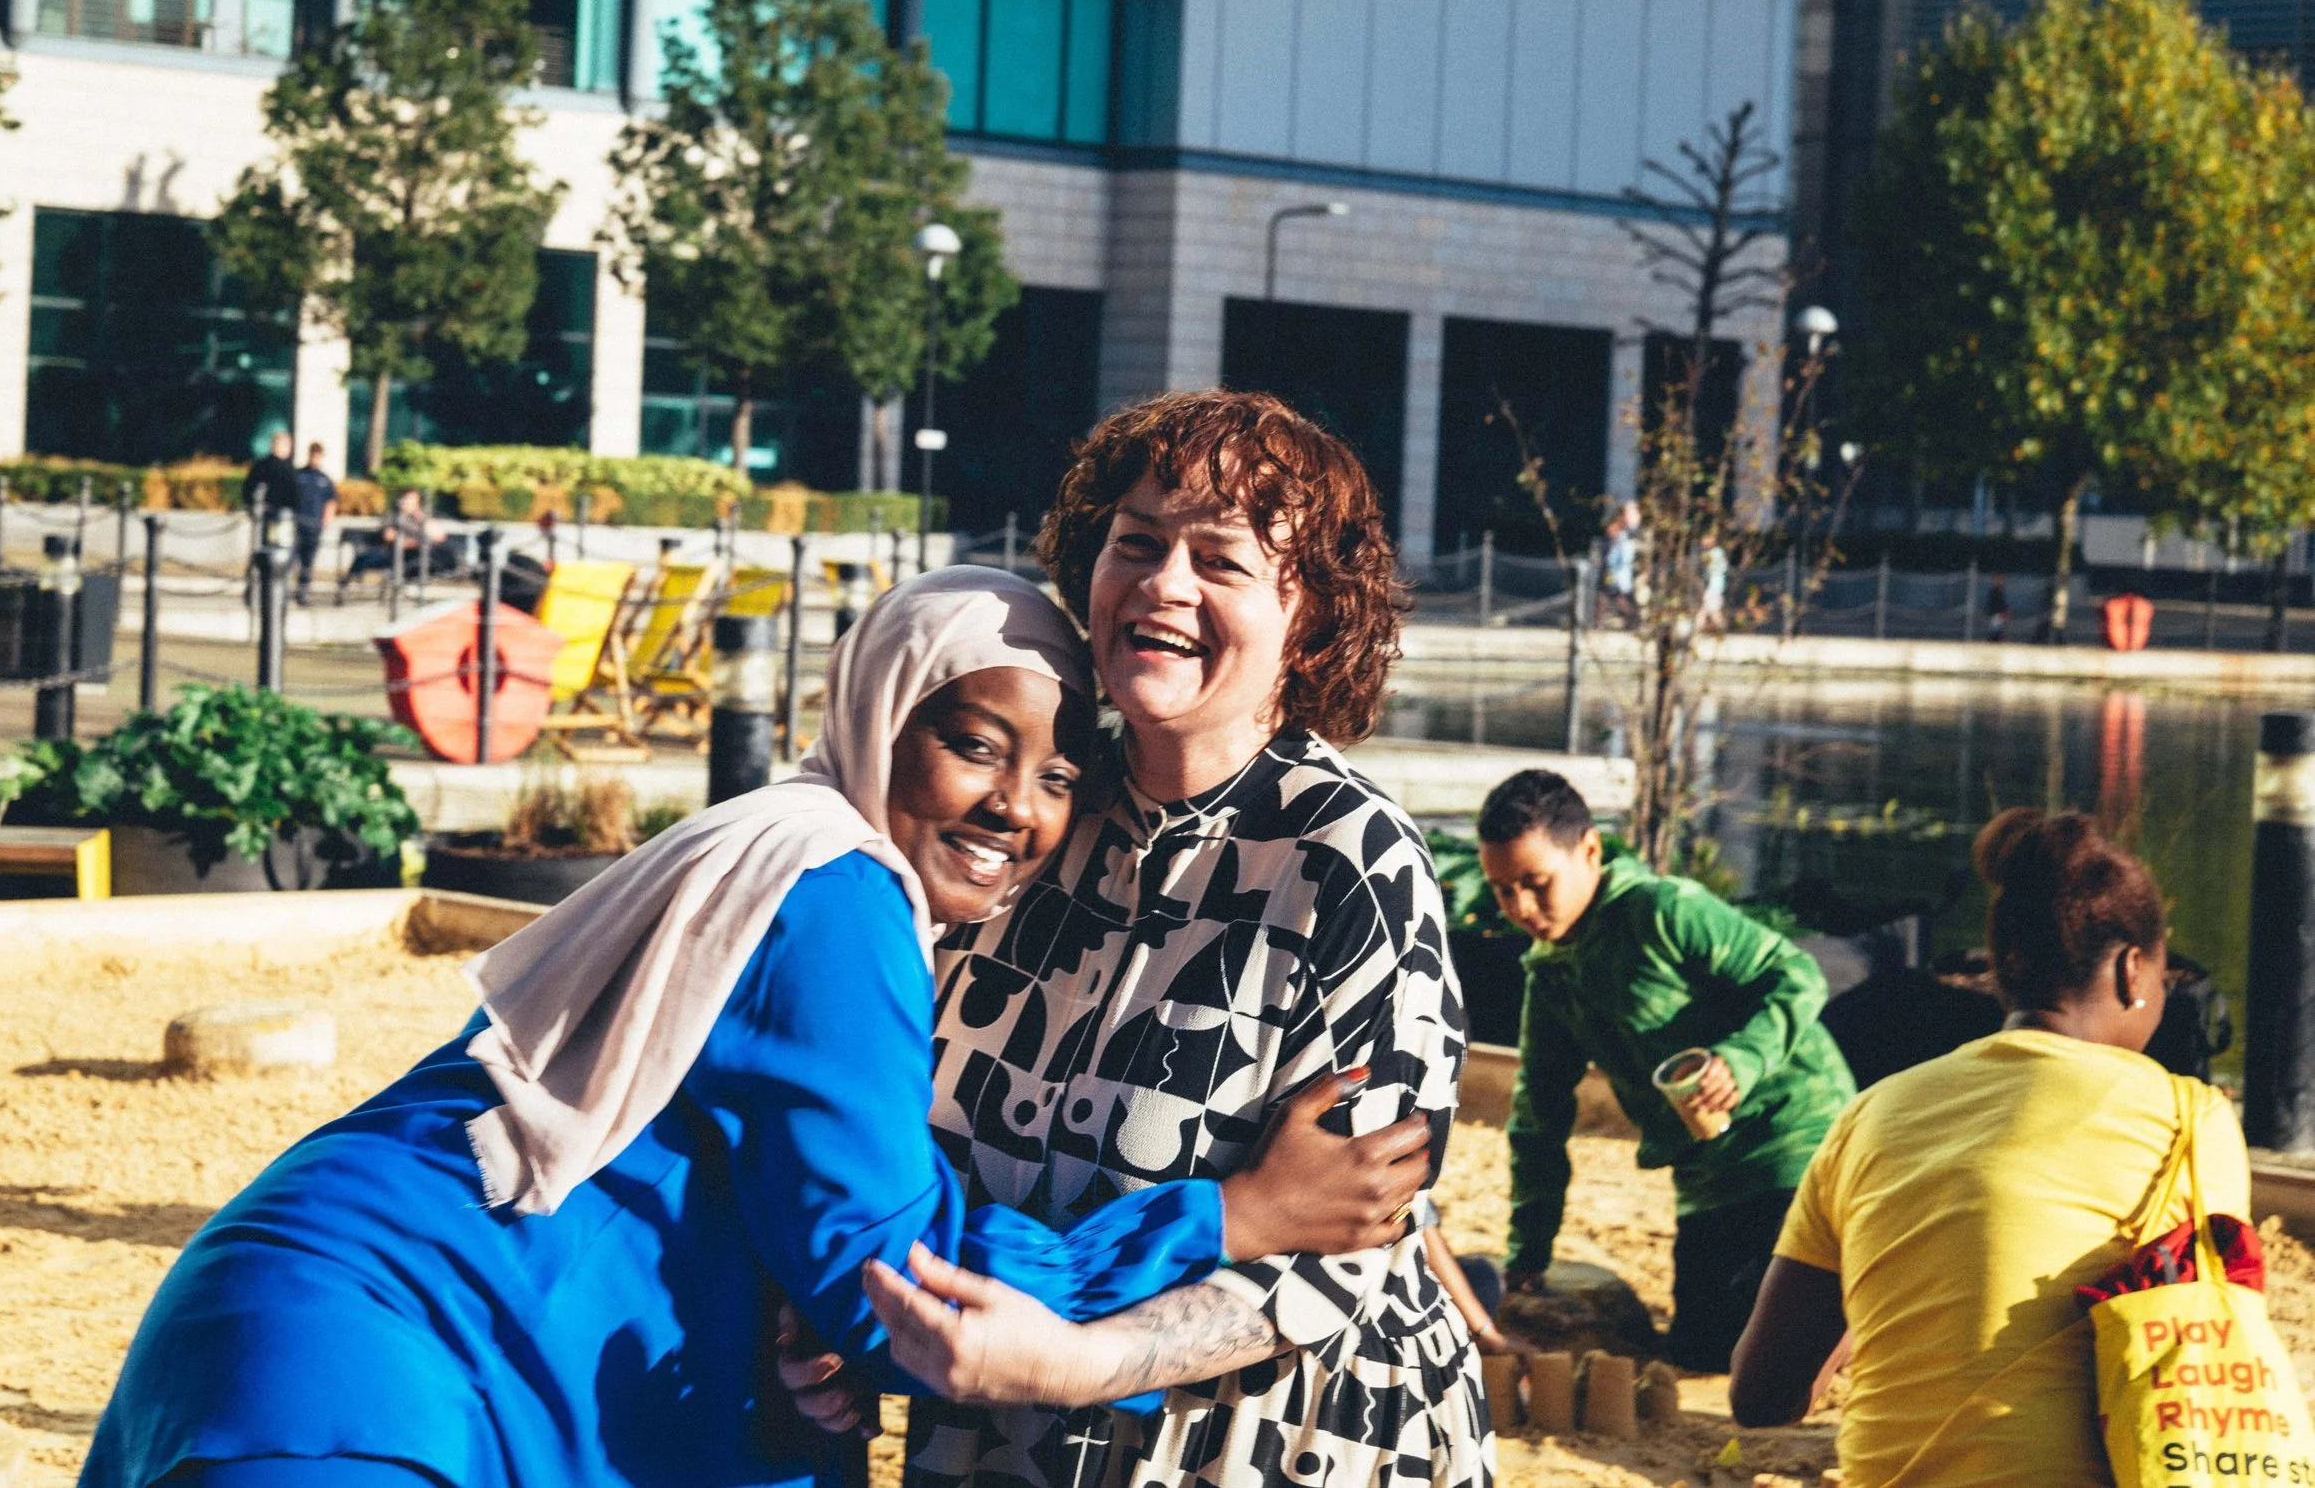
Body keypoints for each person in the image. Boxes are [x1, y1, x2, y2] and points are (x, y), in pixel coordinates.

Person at [81, 568, 1428, 1488]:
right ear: (879, 716)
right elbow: (893, 1274)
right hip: (376, 1365)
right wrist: (1230, 1220)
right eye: (973, 744)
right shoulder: (834, 899)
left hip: (327, 1335)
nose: (1018, 804)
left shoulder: (789, 852)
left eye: (1060, 772)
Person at [817, 391, 1494, 1488]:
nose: (1163, 583)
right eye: (1136, 543)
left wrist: (1082, 1363)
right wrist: (842, 1333)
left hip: (1272, 1447)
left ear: (1309, 620)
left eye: (1220, 561)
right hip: (995, 1438)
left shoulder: (1348, 864)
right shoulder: (1022, 819)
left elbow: (1343, 1247)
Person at [1730, 809, 2247, 1487]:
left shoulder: (1873, 1113)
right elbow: (2203, 1365)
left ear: (2004, 969)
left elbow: (1760, 1397)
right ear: (2131, 971)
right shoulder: (2189, 1119)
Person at [1482, 768, 1855, 1372]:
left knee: (1777, 1356)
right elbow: (1538, 1116)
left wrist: (1742, 1057)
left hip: (1796, 1144)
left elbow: (1797, 974)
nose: (1520, 907)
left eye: (1536, 883)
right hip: (1705, 1178)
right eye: (1502, 890)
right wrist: (1529, 1252)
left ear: (1591, 850)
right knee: (1701, 1351)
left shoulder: (1664, 910)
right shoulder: (1549, 975)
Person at [344, 486, 429, 589]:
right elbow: (388, 535)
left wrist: (422, 519)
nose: (411, 503)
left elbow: (438, 535)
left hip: (415, 554)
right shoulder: (392, 516)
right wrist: (411, 542)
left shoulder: (420, 518)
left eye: (414, 500)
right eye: (408, 499)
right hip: (392, 552)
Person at [290, 443, 338, 607]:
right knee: (291, 560)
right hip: (297, 525)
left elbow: (331, 501)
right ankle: (284, 590)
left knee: (308, 563)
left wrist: (326, 520)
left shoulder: (324, 479)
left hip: (313, 527)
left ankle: (303, 592)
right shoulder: (298, 475)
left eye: (318, 455)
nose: (315, 458)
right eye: (313, 455)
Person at [241, 430, 298, 524]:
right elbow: (294, 494)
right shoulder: (287, 469)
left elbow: (248, 488)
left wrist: (250, 505)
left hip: (262, 514)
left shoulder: (260, 465)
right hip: (282, 516)